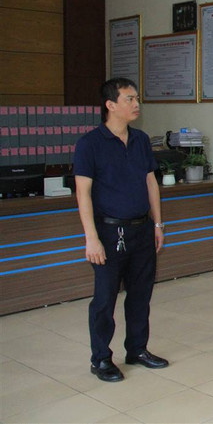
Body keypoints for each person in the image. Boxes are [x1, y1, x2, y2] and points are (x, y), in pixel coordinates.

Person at [74, 77, 168, 382]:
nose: (136, 104)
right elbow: (83, 193)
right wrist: (91, 238)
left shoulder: (140, 139)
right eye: (130, 99)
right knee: (104, 300)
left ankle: (137, 349)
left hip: (142, 230)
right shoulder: (90, 144)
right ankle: (101, 358)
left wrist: (158, 223)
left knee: (140, 295)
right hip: (109, 233)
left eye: (137, 98)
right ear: (110, 105)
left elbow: (151, 183)